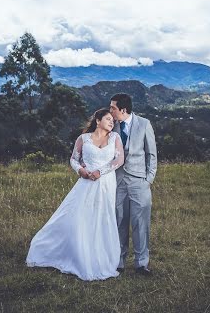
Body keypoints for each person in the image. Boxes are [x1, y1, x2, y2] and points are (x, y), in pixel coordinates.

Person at [25, 108, 124, 281]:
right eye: (108, 119)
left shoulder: (115, 138)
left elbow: (119, 160)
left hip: (106, 183)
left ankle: (100, 258)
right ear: (98, 120)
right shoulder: (83, 139)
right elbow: (73, 159)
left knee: (102, 218)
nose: (112, 122)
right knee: (78, 217)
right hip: (86, 183)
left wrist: (101, 171)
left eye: (113, 120)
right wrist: (81, 170)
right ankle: (69, 252)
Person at [110, 93, 157, 275]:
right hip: (117, 181)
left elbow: (151, 154)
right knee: (118, 221)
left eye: (113, 108)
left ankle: (141, 263)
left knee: (141, 223)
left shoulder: (144, 124)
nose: (110, 110)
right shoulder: (110, 124)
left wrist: (148, 180)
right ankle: (119, 261)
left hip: (139, 182)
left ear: (123, 109)